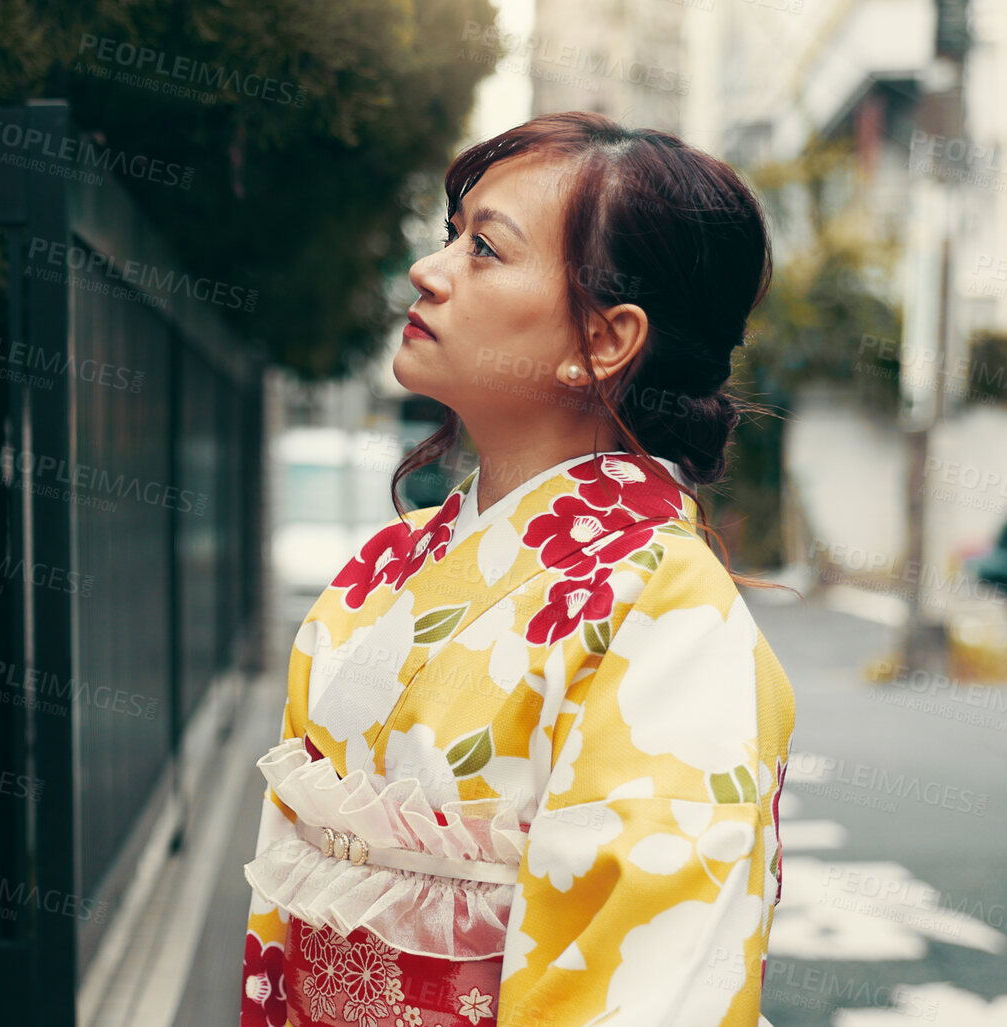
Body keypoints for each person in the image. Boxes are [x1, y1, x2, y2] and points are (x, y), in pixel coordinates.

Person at [242, 112, 796, 1027]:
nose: (431, 271)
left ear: (602, 343)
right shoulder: (383, 567)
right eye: (450, 238)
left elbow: (645, 985)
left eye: (486, 250)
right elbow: (288, 909)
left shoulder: (667, 613)